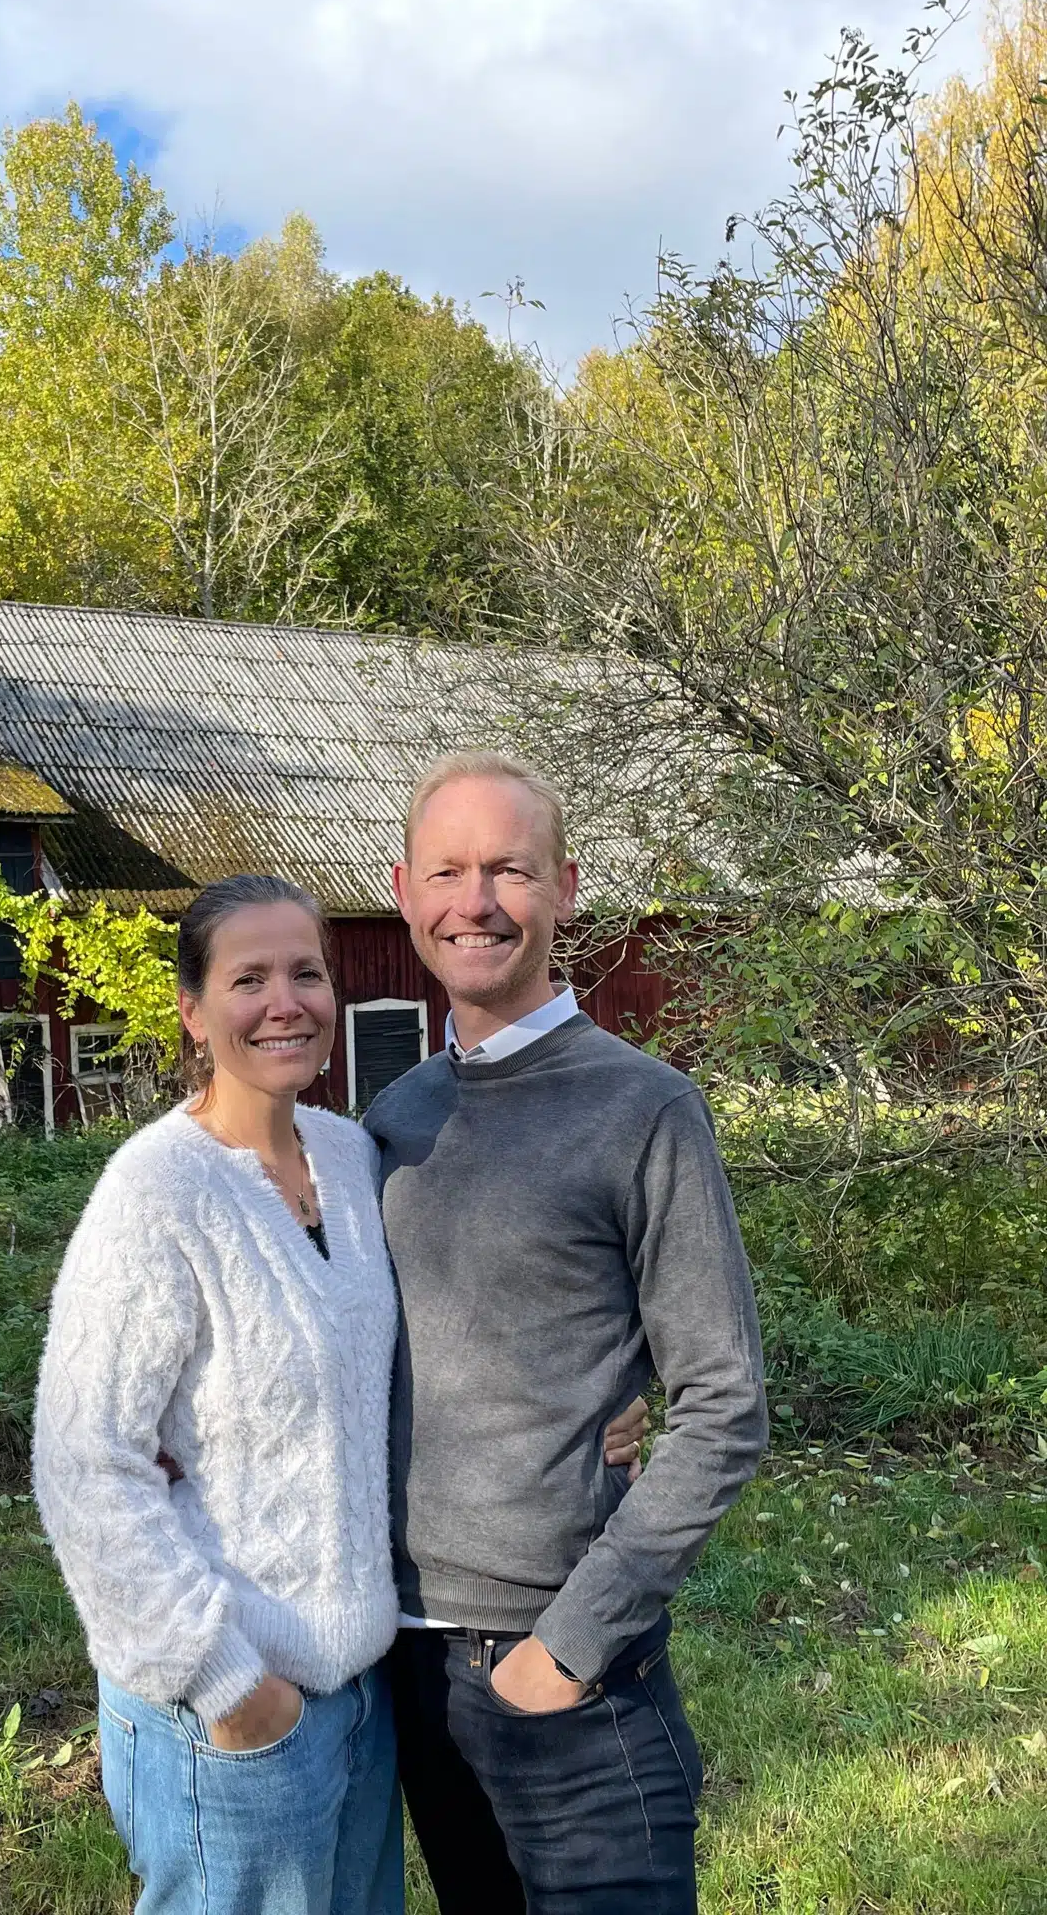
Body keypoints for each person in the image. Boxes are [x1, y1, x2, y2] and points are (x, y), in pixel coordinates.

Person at [34, 870, 649, 1915]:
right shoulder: (158, 1192)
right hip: (225, 1705)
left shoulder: (352, 1157)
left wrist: (591, 1405)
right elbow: (86, 1465)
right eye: (249, 979)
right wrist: (230, 1685)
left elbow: (414, 1360)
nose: (286, 1003)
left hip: (360, 1689)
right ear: (192, 1011)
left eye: (307, 973)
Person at [367, 753, 769, 1915]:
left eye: (509, 870)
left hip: (570, 1680)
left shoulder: (644, 1109)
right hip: (411, 1668)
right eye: (447, 870)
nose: (475, 901)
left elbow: (724, 1402)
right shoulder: (393, 1117)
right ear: (403, 891)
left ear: (566, 889)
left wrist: (571, 1645)